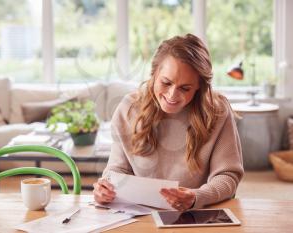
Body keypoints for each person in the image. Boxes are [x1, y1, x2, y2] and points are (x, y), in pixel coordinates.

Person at [93, 33, 244, 211]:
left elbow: (227, 175)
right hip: (138, 215)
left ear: (198, 87)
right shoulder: (128, 109)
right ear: (154, 74)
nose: (172, 95)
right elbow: (118, 170)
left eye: (185, 88)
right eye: (166, 82)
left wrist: (196, 197)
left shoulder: (217, 111)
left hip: (193, 214)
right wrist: (106, 188)